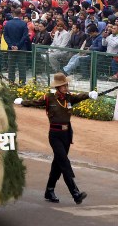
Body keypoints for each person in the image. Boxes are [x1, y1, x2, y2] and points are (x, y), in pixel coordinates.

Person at [15, 73, 96, 204]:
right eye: (62, 85)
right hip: (55, 135)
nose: (65, 87)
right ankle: (75, 193)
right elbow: (35, 102)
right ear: (57, 87)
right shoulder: (50, 98)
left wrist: (89, 94)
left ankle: (49, 190)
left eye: (66, 84)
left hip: (67, 134)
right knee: (64, 162)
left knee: (57, 164)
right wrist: (22, 102)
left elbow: (79, 97)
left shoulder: (69, 98)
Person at [2, 11, 30, 83]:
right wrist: (18, 46)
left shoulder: (8, 23)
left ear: (13, 14)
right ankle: (22, 83)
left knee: (11, 67)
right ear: (20, 15)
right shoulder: (24, 23)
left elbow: (5, 36)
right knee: (22, 67)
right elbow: (25, 36)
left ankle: (11, 83)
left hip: (11, 49)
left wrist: (11, 45)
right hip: (21, 49)